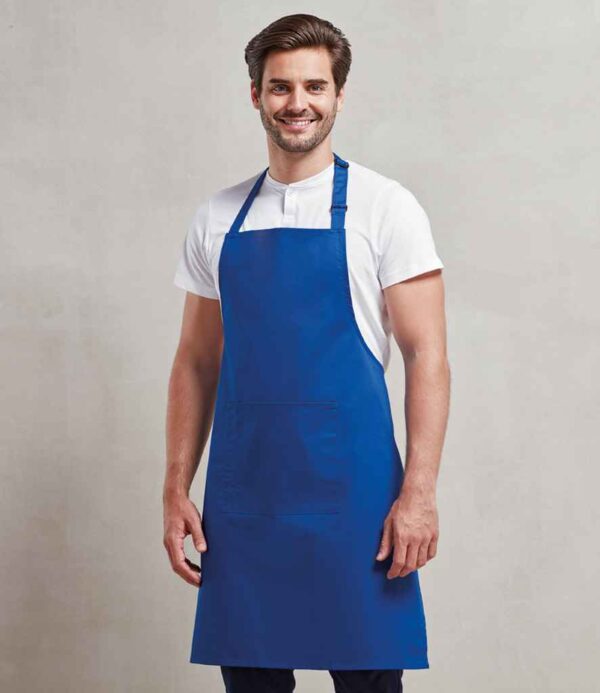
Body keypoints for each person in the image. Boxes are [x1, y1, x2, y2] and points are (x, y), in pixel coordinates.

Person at [163, 13, 450, 693]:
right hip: (246, 497)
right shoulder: (217, 217)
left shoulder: (386, 208)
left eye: (315, 86)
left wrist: (418, 493)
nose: (298, 103)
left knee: (369, 680)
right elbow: (196, 362)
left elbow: (428, 357)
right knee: (252, 681)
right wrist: (175, 486)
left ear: (339, 95)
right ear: (255, 94)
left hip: (356, 498)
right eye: (281, 86)